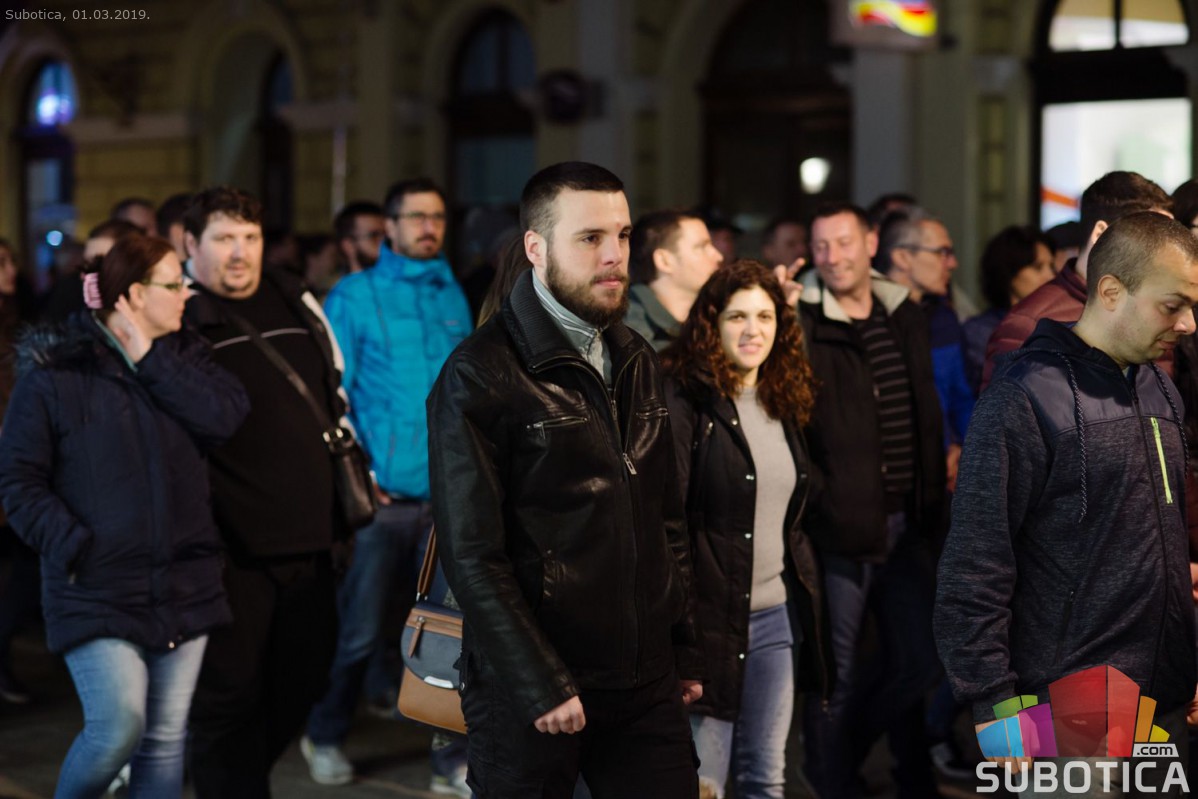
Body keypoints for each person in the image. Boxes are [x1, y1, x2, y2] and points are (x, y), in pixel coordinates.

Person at [428, 161, 701, 798]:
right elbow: (472, 555)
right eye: (590, 238)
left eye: (623, 235)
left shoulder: (634, 356)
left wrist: (683, 647)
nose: (614, 256)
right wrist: (540, 682)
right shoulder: (480, 372)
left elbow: (665, 521)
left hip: (645, 681)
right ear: (536, 248)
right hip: (533, 689)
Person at [935, 212, 1198, 796]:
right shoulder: (1023, 398)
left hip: (1164, 702)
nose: (1188, 324)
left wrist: (1189, 653)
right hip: (1069, 709)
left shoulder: (1159, 387)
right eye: (1172, 305)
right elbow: (973, 566)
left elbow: (1163, 538)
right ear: (1111, 291)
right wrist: (994, 703)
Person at [0, 233, 249, 798]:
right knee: (117, 727)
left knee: (164, 740)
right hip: (96, 586)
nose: (187, 293)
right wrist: (76, 546)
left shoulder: (187, 358)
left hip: (185, 583)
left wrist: (151, 360)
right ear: (135, 295)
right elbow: (17, 480)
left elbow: (226, 417)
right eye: (174, 283)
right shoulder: (57, 373)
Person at [302, 177, 472, 794]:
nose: (429, 227)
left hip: (447, 499)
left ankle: (449, 761)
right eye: (416, 217)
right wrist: (359, 471)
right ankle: (323, 733)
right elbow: (329, 394)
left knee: (448, 637)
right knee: (361, 632)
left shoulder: (452, 291)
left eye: (437, 217)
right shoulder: (355, 295)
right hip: (384, 503)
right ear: (390, 227)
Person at [183, 186, 346, 799]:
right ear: (190, 244)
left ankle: (240, 779)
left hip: (313, 538)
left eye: (249, 237)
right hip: (229, 549)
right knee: (227, 698)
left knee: (304, 679)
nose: (239, 252)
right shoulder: (179, 313)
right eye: (223, 239)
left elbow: (334, 385)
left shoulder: (290, 293)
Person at [661, 259, 832, 799]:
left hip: (775, 621)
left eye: (765, 316)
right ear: (711, 324)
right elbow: (669, 522)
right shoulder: (686, 398)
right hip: (709, 623)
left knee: (765, 777)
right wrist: (681, 638)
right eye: (737, 316)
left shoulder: (783, 396)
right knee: (704, 784)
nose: (752, 330)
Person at [798, 202, 945, 798]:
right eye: (821, 246)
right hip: (841, 528)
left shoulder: (901, 310)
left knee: (919, 660)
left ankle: (848, 761)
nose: (832, 257)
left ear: (871, 243)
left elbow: (921, 409)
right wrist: (824, 502)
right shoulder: (803, 318)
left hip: (908, 521)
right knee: (834, 674)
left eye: (843, 242)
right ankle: (833, 783)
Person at [982, 171, 1173, 390]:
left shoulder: (1163, 313)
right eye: (1152, 239)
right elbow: (1003, 410)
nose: (1167, 255)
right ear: (1101, 234)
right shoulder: (1027, 325)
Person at [961, 226, 1055, 393]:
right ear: (1010, 272)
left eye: (1051, 266)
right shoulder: (981, 331)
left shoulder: (1055, 324)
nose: (1051, 276)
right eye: (1037, 267)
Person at [626, 209, 723, 350]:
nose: (718, 256)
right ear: (664, 261)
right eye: (701, 247)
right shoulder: (631, 336)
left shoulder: (713, 319)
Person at [333, 200, 386, 275]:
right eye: (374, 236)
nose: (383, 241)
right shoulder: (340, 283)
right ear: (348, 246)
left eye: (386, 235)